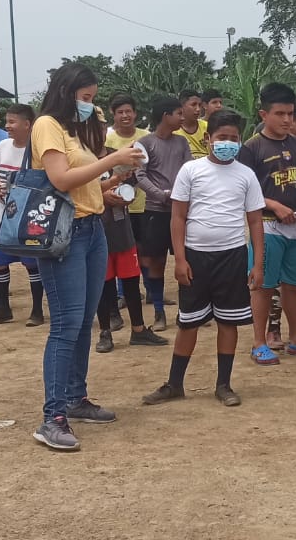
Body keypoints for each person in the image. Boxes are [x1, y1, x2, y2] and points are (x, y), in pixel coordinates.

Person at [30, 62, 144, 452]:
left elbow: (82, 181)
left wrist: (110, 183)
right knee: (66, 324)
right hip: (64, 235)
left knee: (81, 323)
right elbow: (60, 179)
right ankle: (52, 417)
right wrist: (111, 161)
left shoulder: (74, 131)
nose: (91, 105)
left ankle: (74, 398)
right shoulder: (47, 125)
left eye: (94, 98)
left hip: (92, 229)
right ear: (67, 92)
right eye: (86, 98)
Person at [141, 111, 264, 407]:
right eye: (222, 137)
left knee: (228, 322)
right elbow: (178, 217)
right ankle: (174, 384)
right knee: (189, 321)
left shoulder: (246, 175)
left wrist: (258, 263)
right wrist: (180, 260)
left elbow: (255, 221)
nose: (227, 143)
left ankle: (224, 385)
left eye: (234, 138)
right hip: (195, 257)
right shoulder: (191, 171)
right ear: (208, 138)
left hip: (232, 256)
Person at [237, 82, 296, 365]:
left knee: (294, 286)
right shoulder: (251, 148)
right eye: (280, 114)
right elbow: (243, 190)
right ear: (264, 114)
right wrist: (273, 205)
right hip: (266, 227)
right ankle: (259, 342)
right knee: (262, 286)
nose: (287, 120)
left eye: (290, 113)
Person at [94, 136, 169, 352]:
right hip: (97, 232)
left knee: (131, 281)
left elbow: (130, 183)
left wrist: (127, 196)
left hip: (122, 230)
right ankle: (105, 332)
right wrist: (101, 195)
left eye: (100, 126)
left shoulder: (116, 155)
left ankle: (138, 329)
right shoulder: (81, 159)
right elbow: (77, 190)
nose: (97, 130)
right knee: (103, 285)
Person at [136, 96, 192, 329]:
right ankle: (159, 312)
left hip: (182, 210)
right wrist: (161, 195)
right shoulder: (144, 143)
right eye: (179, 114)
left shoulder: (182, 142)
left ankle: (186, 312)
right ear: (165, 116)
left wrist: (181, 195)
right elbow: (139, 175)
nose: (182, 118)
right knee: (156, 262)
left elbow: (190, 170)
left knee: (186, 259)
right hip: (156, 211)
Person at [0, 103, 43, 326]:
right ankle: (2, 308)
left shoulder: (38, 150)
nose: (7, 126)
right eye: (6, 121)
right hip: (3, 217)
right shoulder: (2, 145)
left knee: (32, 264)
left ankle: (37, 310)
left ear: (27, 124)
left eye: (12, 121)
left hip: (28, 218)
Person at [178, 89, 209, 159]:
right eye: (193, 104)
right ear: (181, 107)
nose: (198, 109)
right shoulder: (173, 131)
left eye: (200, 105)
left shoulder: (208, 127)